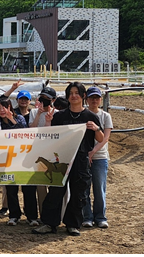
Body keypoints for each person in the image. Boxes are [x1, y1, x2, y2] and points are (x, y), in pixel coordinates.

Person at [33, 82, 104, 237]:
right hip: (61, 159)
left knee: (79, 194)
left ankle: (73, 224)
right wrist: (49, 122)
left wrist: (96, 128)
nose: (73, 96)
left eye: (77, 93)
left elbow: (101, 138)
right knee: (55, 192)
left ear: (83, 96)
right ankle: (49, 223)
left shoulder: (91, 116)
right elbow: (52, 138)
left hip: (81, 159)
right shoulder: (59, 116)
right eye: (70, 93)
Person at [0, 98, 38, 227]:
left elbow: (24, 133)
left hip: (24, 158)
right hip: (7, 159)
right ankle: (14, 215)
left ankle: (32, 216)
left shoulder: (19, 118)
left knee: (28, 189)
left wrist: (11, 119)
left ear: (10, 107)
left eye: (4, 107)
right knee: (11, 189)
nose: (2, 110)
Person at [82, 87, 113, 229]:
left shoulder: (105, 116)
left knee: (99, 188)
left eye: (97, 98)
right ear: (87, 99)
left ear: (100, 99)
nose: (94, 100)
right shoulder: (82, 115)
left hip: (100, 157)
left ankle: (100, 216)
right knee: (85, 188)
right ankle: (87, 216)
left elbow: (105, 138)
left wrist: (92, 151)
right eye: (91, 98)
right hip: (84, 155)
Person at [28, 86, 58, 217]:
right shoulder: (34, 113)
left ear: (53, 100)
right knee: (40, 186)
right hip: (37, 152)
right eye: (42, 98)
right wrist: (39, 113)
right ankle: (43, 214)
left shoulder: (57, 114)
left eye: (47, 99)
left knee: (54, 185)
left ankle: (53, 213)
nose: (44, 100)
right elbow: (31, 130)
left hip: (52, 153)